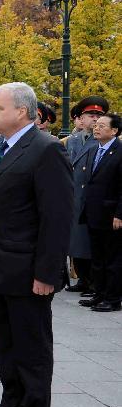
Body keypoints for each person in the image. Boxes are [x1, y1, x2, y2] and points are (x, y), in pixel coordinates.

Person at [0, 82, 72, 407]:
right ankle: (10, 404)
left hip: (26, 269)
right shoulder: (4, 147)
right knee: (6, 342)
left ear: (22, 112)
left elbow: (57, 217)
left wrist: (47, 273)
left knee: (31, 346)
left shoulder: (45, 150)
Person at [64, 96, 108, 294]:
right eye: (91, 115)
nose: (94, 119)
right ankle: (82, 278)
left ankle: (93, 281)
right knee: (75, 240)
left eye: (99, 115)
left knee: (90, 242)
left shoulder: (102, 142)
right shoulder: (71, 141)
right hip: (74, 198)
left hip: (91, 198)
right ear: (81, 118)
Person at [79, 113, 122, 313]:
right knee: (97, 257)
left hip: (111, 215)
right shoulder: (94, 150)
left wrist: (119, 214)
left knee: (112, 258)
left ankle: (113, 298)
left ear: (114, 131)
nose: (97, 128)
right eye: (96, 125)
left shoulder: (119, 151)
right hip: (94, 213)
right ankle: (99, 293)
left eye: (102, 125)